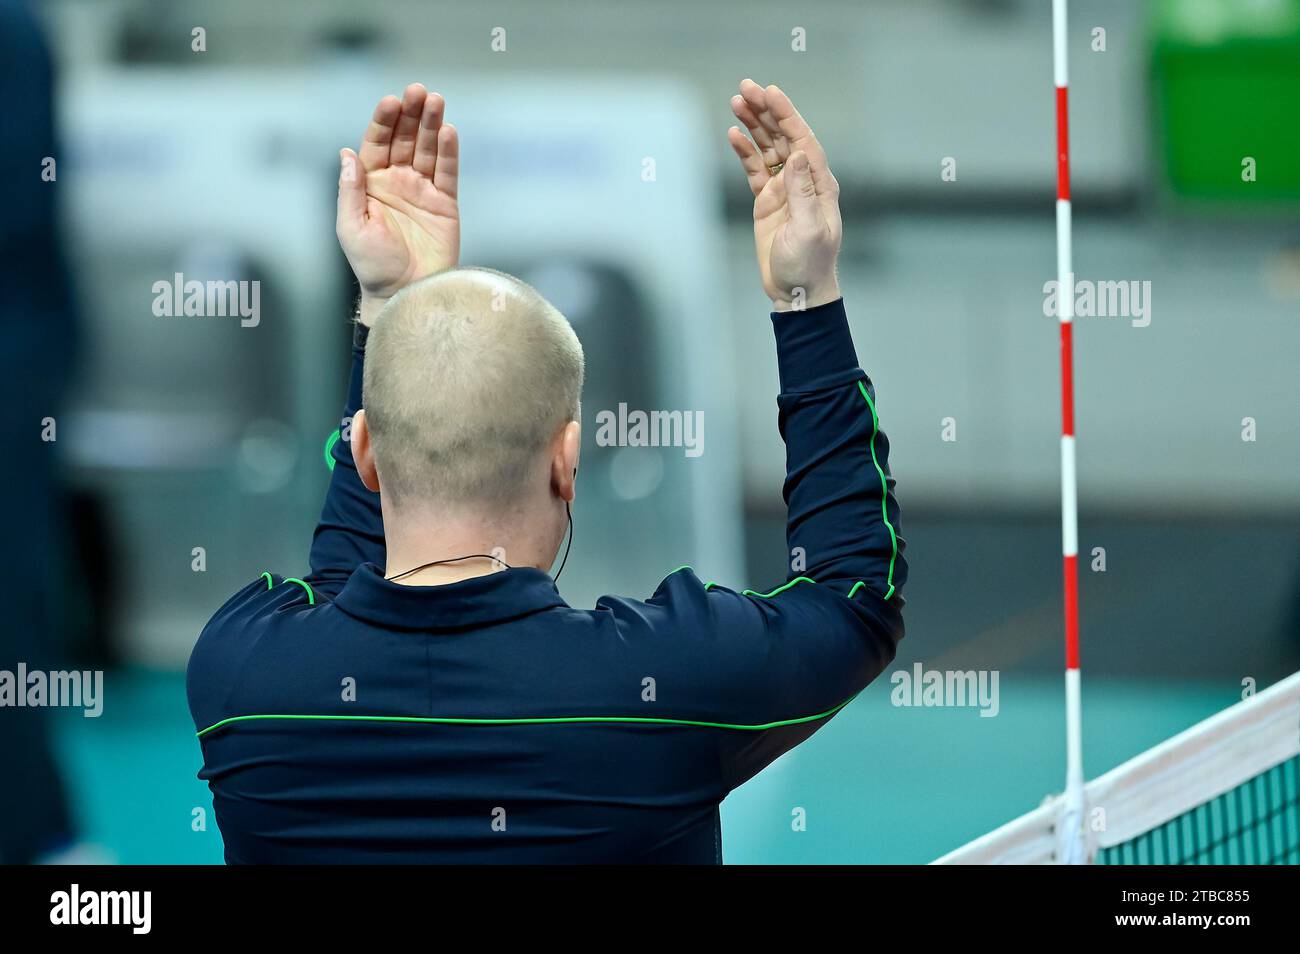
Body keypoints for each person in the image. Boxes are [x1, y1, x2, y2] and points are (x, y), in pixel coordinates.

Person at [187, 79, 907, 863]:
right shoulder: (669, 680)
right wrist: (805, 298)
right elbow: (853, 592)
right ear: (568, 462)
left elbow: (337, 604)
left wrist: (391, 303)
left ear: (362, 452)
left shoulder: (243, 674)